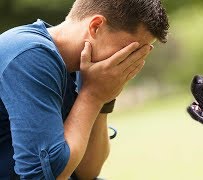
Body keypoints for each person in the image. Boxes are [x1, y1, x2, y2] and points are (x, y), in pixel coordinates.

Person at [0, 0, 169, 179]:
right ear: (96, 27)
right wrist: (93, 95)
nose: (130, 61)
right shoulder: (29, 55)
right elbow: (42, 177)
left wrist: (103, 97)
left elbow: (87, 172)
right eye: (129, 51)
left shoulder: (86, 69)